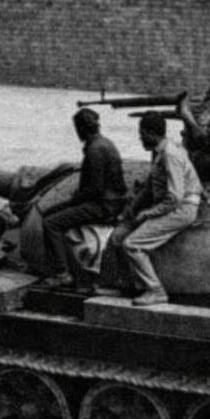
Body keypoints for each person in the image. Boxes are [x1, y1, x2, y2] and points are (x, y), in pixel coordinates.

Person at [111, 113, 202, 306]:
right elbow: (149, 188)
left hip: (182, 209)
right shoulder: (162, 151)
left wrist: (148, 214)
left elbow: (175, 197)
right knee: (120, 234)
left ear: (151, 133)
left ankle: (155, 290)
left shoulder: (170, 154)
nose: (140, 138)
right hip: (175, 207)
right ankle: (127, 284)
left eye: (142, 133)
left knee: (133, 244)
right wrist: (131, 209)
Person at [40, 107, 127, 292]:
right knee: (55, 213)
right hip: (112, 202)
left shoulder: (94, 150)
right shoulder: (106, 143)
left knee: (50, 222)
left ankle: (63, 274)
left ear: (81, 128)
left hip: (103, 205)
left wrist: (69, 202)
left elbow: (94, 190)